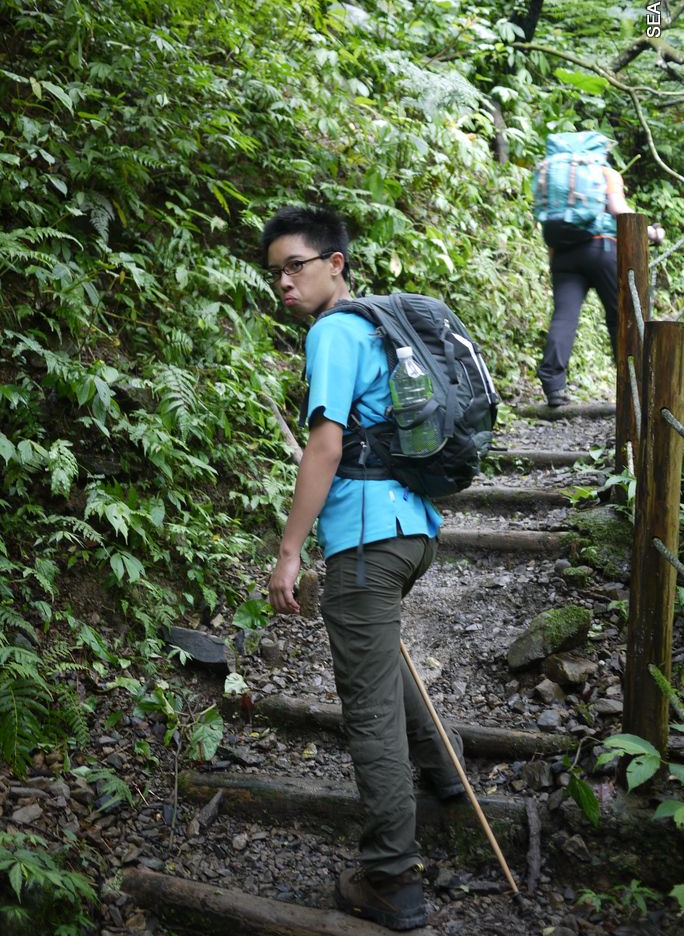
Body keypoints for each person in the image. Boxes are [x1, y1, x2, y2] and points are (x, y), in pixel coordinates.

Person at [263, 205, 466, 932]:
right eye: (275, 273)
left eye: (296, 266)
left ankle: (391, 879)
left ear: (335, 264)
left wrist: (290, 551)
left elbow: (325, 445)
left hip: (363, 542)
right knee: (383, 662)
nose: (284, 283)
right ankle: (445, 769)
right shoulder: (383, 326)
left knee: (369, 710)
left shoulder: (333, 331)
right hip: (413, 531)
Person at [537, 158, 631, 407]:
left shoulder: (555, 178)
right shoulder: (606, 173)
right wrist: (651, 232)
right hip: (602, 249)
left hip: (563, 256)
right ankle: (631, 385)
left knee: (564, 318)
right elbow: (619, 210)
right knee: (619, 318)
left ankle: (554, 386)